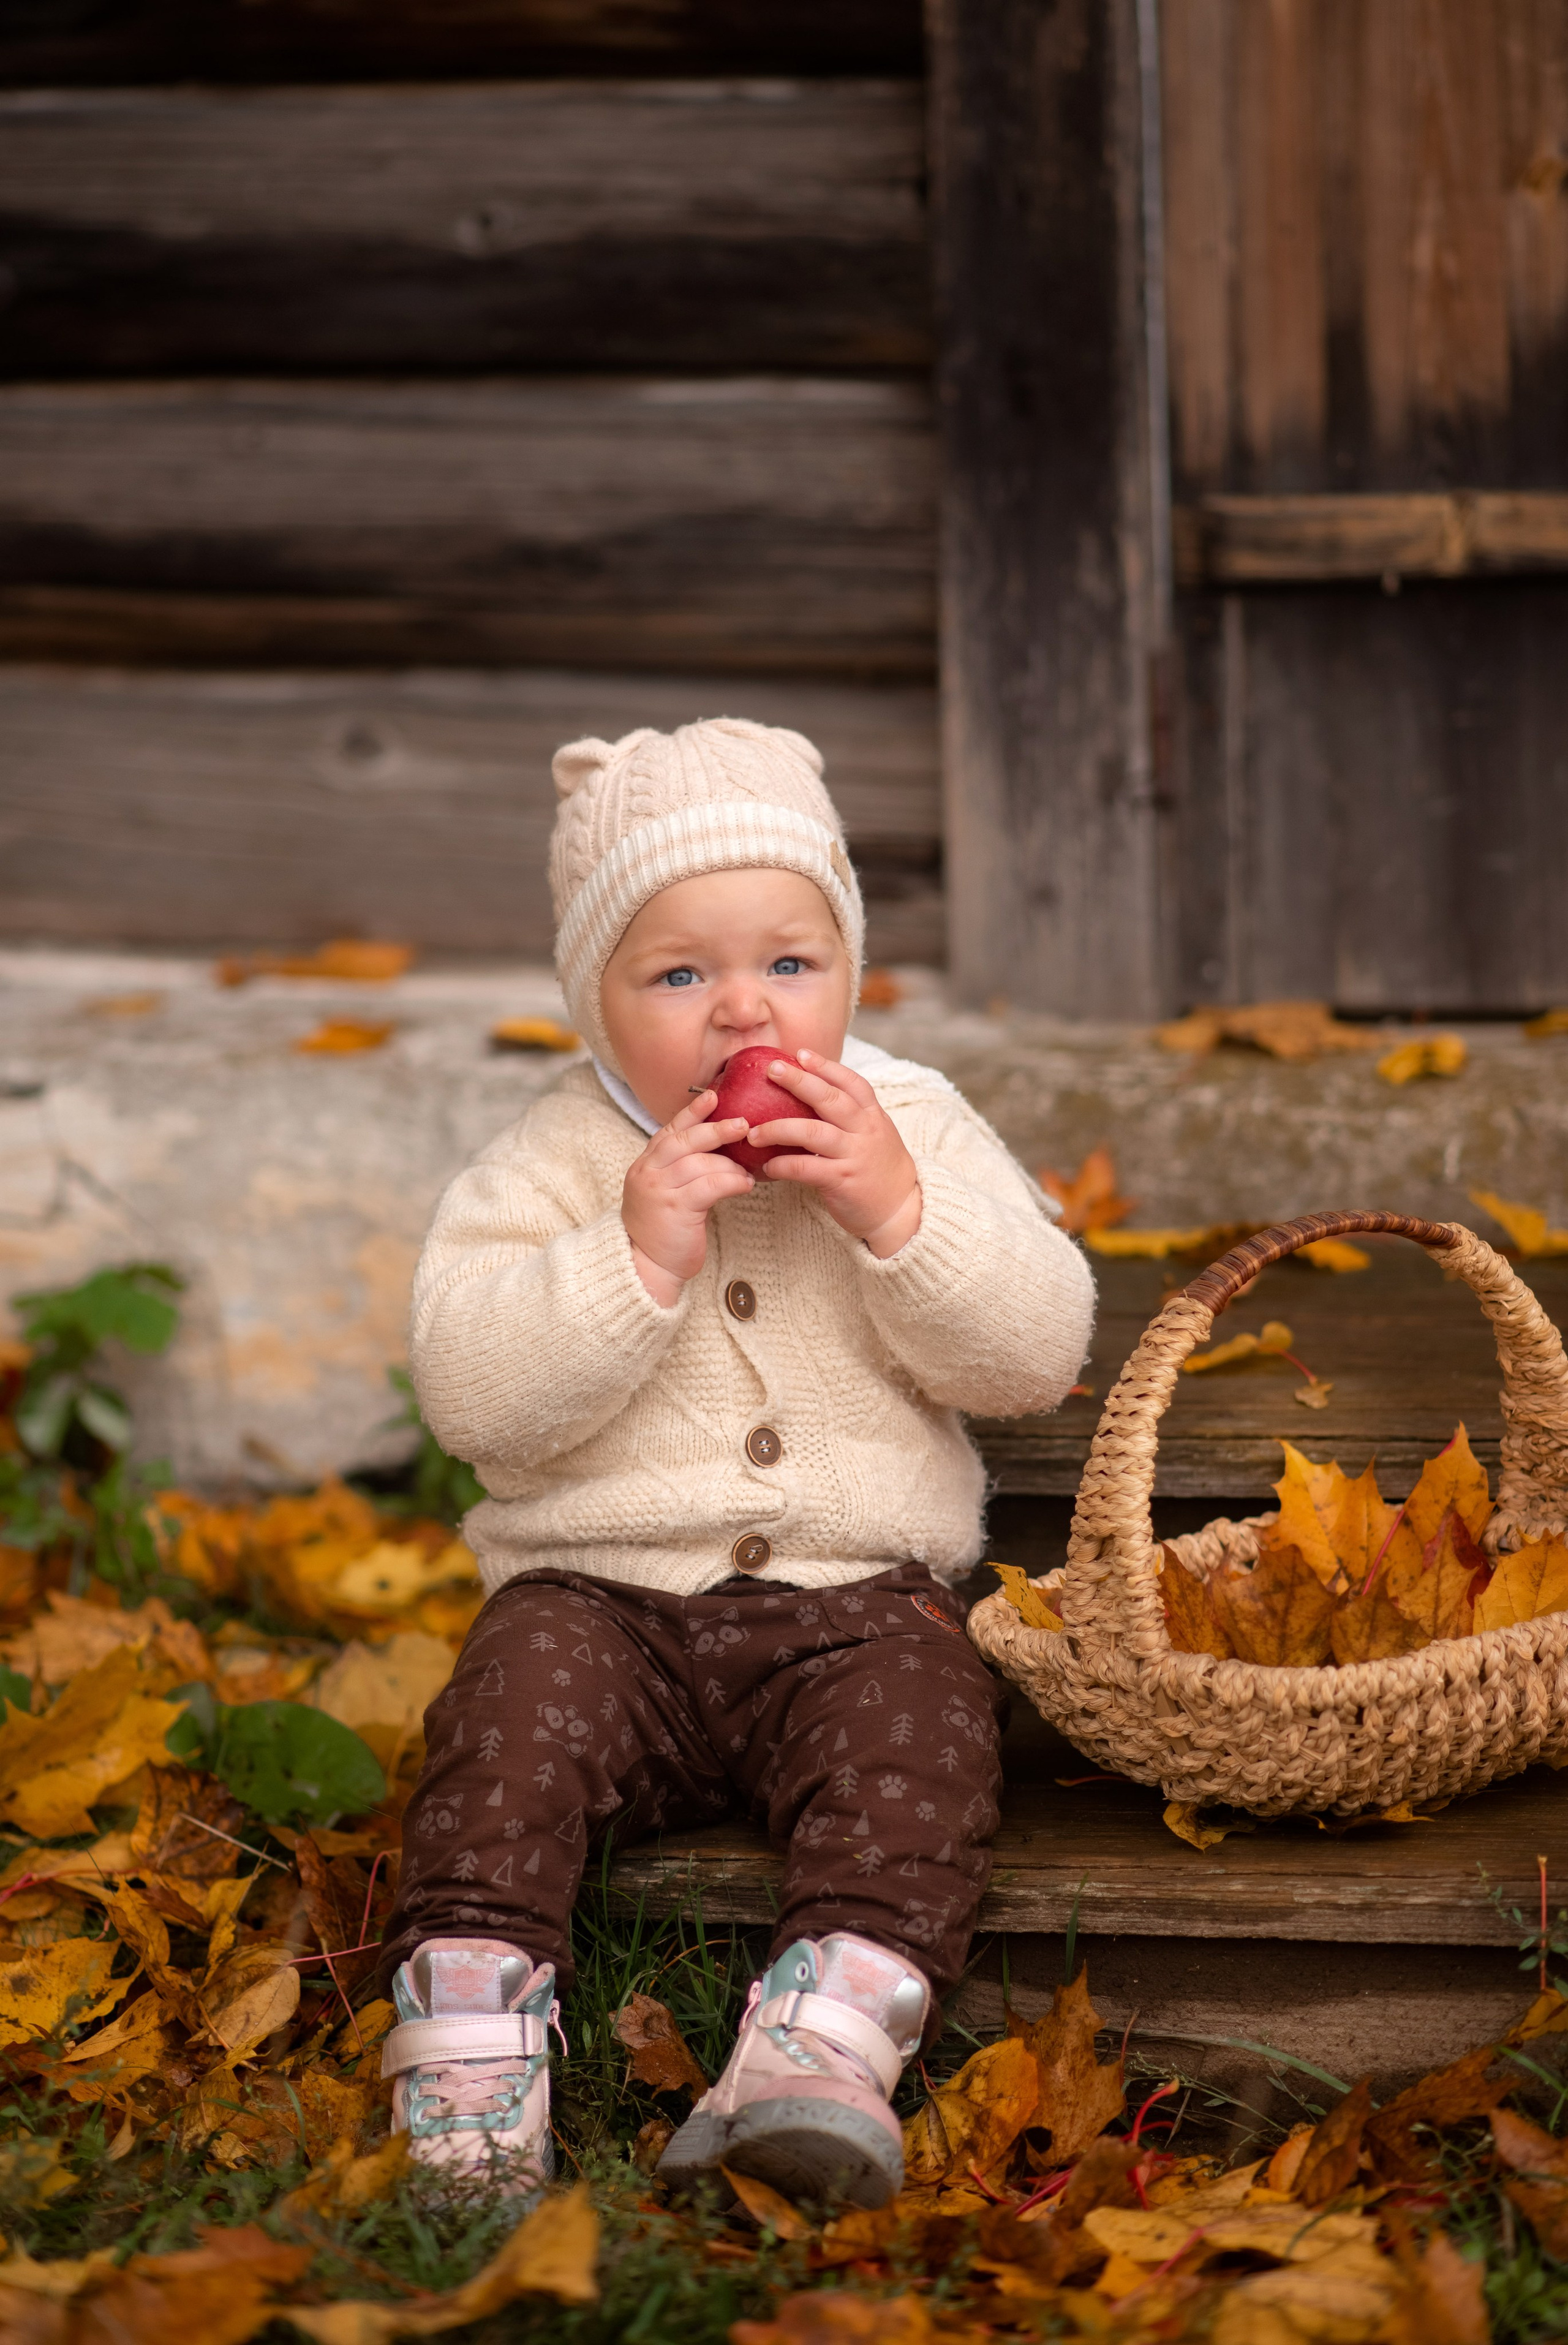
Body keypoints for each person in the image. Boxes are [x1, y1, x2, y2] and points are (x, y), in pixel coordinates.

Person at [377, 718, 1095, 2207]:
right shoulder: (554, 1161)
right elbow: (471, 1397)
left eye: (788, 963)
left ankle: (821, 2044)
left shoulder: (911, 1127)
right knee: (500, 1732)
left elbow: (1033, 1352)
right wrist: (628, 1254)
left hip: (849, 1602)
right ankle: (467, 2036)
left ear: (846, 969)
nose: (741, 1013)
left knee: (923, 1734)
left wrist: (902, 1216)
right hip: (600, 1602)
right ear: (594, 1000)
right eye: (679, 974)